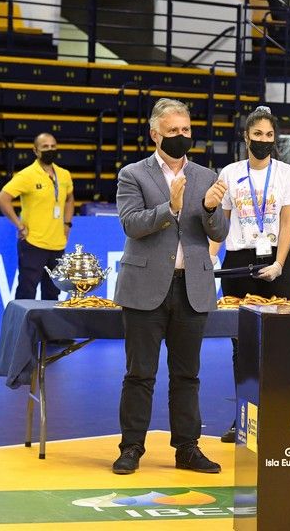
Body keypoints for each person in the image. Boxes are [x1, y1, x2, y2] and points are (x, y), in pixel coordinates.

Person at [111, 98, 230, 475]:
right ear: (155, 134)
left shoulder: (207, 176)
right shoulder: (133, 174)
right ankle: (131, 447)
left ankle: (187, 448)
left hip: (192, 287)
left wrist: (211, 210)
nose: (181, 137)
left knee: (187, 375)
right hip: (145, 287)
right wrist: (171, 208)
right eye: (173, 131)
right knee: (140, 373)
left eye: (186, 130)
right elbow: (131, 224)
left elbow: (220, 232)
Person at [216, 105, 290, 443]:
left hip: (276, 261)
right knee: (241, 344)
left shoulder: (287, 174)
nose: (263, 140)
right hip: (239, 261)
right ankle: (243, 417)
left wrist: (280, 263)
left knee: (280, 342)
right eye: (258, 135)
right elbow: (220, 223)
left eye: (269, 136)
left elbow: (288, 223)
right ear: (246, 137)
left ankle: (283, 415)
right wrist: (213, 257)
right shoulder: (229, 173)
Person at [0, 133, 74, 300]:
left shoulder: (64, 174)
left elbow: (69, 199)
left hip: (57, 243)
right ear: (35, 150)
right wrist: (19, 224)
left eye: (53, 146)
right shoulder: (27, 175)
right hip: (33, 242)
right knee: (27, 290)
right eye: (45, 147)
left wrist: (67, 223)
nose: (50, 149)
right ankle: (21, 326)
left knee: (53, 292)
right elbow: (2, 198)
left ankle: (49, 326)